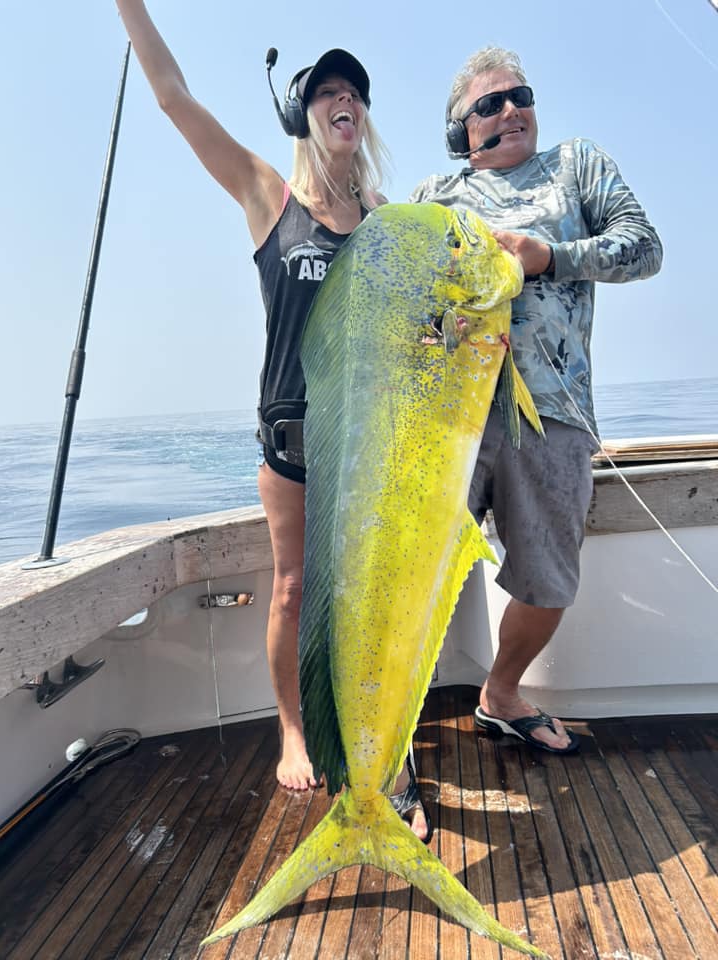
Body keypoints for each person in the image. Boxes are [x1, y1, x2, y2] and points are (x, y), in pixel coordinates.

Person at [114, 2, 431, 839]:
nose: (345, 102)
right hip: (290, 448)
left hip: (370, 451)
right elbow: (175, 98)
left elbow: (416, 339)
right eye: (328, 91)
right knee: (292, 590)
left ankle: (390, 755)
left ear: (363, 119)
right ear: (304, 112)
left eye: (355, 94)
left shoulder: (388, 226)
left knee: (373, 604)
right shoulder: (268, 196)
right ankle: (292, 731)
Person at [411, 47, 663, 753]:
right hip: (450, 422)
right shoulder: (433, 198)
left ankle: (501, 691)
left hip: (553, 414)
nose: (511, 110)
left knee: (548, 581)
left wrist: (546, 256)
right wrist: (443, 327)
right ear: (463, 130)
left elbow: (644, 248)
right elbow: (411, 320)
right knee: (414, 583)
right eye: (490, 104)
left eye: (520, 95)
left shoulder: (575, 164)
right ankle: (390, 746)